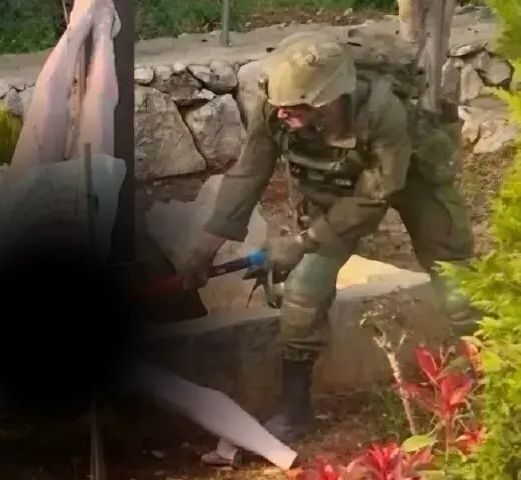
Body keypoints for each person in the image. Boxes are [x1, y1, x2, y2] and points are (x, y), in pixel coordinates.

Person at [177, 31, 476, 466]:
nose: (282, 113)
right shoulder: (275, 108)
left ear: (329, 99)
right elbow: (249, 172)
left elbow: (378, 194)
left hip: (408, 179)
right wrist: (205, 245)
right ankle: (296, 408)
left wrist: (301, 242)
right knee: (302, 292)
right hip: (337, 188)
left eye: (295, 106)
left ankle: (492, 376)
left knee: (455, 278)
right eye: (280, 104)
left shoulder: (383, 112)